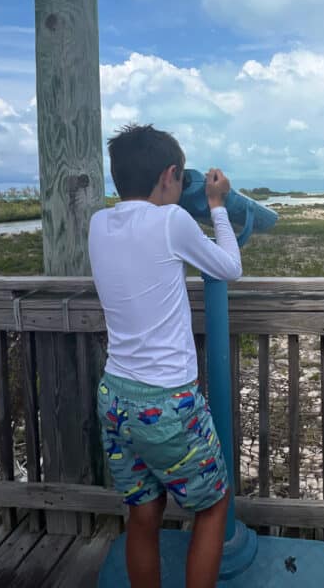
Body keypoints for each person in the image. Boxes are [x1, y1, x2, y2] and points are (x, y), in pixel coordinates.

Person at [89, 124, 241, 588]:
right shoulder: (171, 222)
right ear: (170, 174)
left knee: (144, 511)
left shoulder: (98, 223)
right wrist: (216, 206)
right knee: (213, 506)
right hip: (167, 402)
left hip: (114, 397)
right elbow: (229, 267)